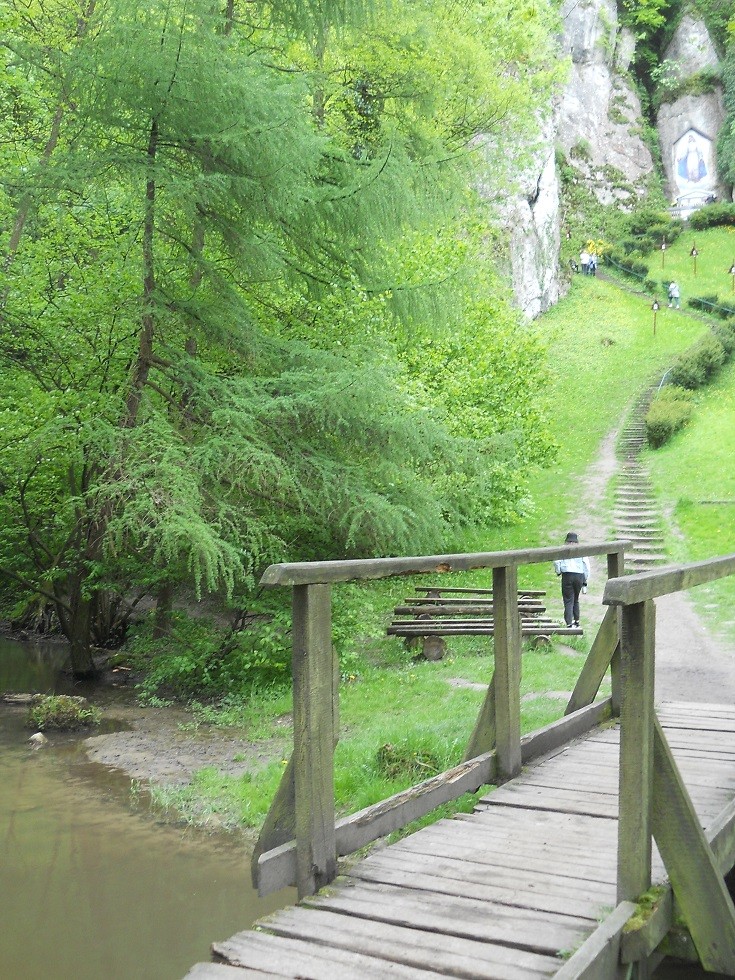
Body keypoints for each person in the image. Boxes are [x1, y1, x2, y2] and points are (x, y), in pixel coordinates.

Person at [553, 532, 590, 628]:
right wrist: (585, 580)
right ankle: (577, 621)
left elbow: (557, 561)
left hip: (567, 574)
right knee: (576, 599)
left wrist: (558, 571)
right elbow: (586, 565)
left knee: (568, 600)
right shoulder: (581, 550)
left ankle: (569, 622)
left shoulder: (563, 549)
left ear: (566, 541)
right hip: (579, 575)